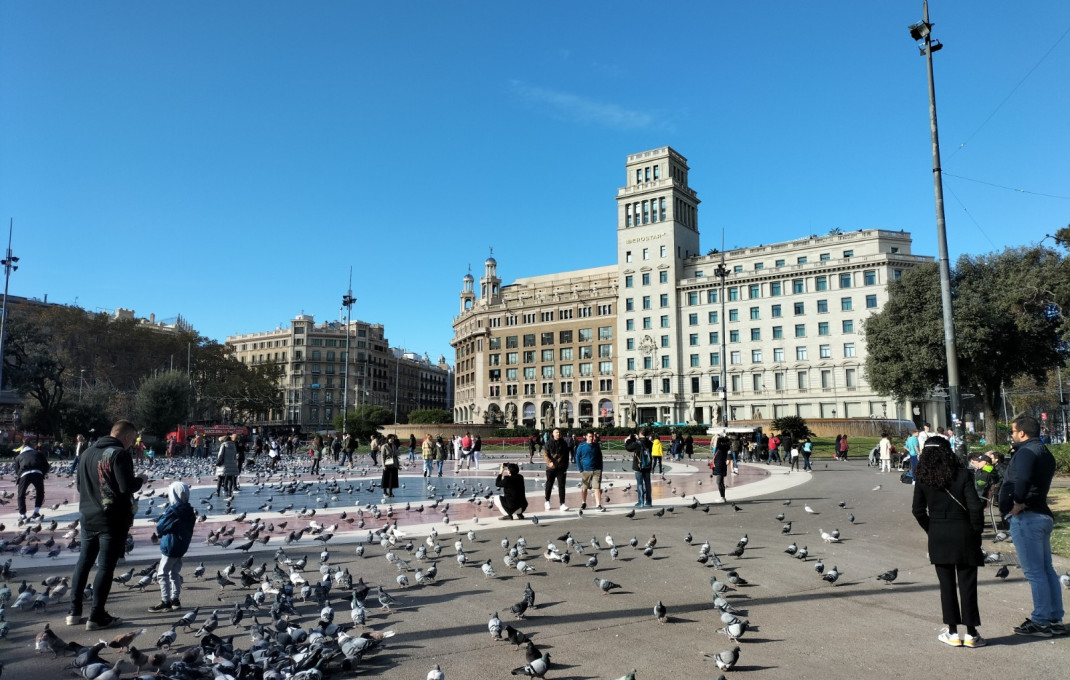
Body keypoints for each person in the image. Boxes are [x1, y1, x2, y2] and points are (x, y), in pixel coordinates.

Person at [68, 419, 147, 630]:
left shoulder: (86, 453)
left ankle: (74, 612)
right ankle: (96, 616)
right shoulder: (119, 454)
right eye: (132, 440)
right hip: (111, 520)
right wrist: (141, 479)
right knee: (105, 566)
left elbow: (79, 485)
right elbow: (126, 487)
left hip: (87, 516)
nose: (132, 445)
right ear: (127, 437)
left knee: (83, 562)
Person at [911, 435, 986, 648]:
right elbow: (975, 507)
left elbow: (917, 510)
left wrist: (931, 529)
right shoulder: (963, 474)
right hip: (964, 533)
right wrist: (977, 532)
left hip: (938, 534)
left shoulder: (922, 477)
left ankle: (953, 631)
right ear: (948, 452)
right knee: (968, 584)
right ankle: (972, 633)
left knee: (946, 585)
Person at [998, 415, 1065, 637]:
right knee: (1046, 571)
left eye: (1013, 431)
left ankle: (1041, 621)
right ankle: (1054, 617)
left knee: (1036, 572)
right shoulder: (1044, 452)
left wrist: (1017, 503)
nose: (1012, 435)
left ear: (1022, 433)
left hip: (1028, 517)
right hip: (1041, 515)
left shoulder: (1026, 451)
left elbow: (1024, 479)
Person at [148, 481, 195, 612]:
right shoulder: (189, 510)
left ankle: (166, 601)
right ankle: (175, 600)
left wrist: (163, 519)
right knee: (175, 573)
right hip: (182, 546)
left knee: (162, 574)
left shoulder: (174, 511)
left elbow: (160, 528)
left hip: (170, 546)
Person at [14, 443, 50, 521]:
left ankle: (23, 515)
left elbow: (17, 471)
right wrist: (42, 473)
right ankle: (36, 512)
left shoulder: (18, 457)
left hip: (24, 474)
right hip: (37, 473)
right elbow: (47, 466)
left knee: (21, 494)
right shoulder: (39, 453)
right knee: (40, 492)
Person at [574, 431, 606, 511]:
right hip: (586, 470)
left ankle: (598, 504)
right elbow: (577, 457)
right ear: (586, 437)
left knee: (597, 487)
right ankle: (583, 502)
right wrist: (580, 469)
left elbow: (600, 457)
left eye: (592, 436)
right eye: (590, 436)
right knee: (584, 488)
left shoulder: (596, 446)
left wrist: (601, 469)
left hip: (596, 470)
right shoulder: (582, 446)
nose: (591, 438)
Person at [542, 427, 570, 512]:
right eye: (556, 432)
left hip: (561, 468)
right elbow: (545, 454)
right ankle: (547, 501)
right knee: (549, 485)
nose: (558, 434)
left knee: (561, 486)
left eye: (559, 432)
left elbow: (566, 456)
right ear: (553, 434)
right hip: (551, 468)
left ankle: (562, 503)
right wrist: (549, 463)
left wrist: (565, 466)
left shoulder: (563, 443)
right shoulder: (548, 443)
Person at [626, 429, 654, 507]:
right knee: (648, 484)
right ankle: (649, 501)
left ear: (640, 433)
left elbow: (628, 448)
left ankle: (641, 502)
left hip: (639, 466)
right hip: (647, 466)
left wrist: (628, 440)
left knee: (640, 484)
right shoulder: (650, 443)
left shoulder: (637, 443)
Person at [709, 435, 729, 503]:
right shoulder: (723, 448)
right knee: (721, 482)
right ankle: (722, 497)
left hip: (719, 466)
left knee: (719, 482)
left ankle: (722, 497)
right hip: (721, 466)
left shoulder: (720, 448)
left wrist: (719, 438)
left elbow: (717, 443)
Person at [380, 433, 400, 498]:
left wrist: (398, 464)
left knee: (392, 479)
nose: (392, 440)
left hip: (393, 464)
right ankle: (385, 492)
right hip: (387, 463)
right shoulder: (384, 446)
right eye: (390, 438)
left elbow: (396, 455)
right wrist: (383, 465)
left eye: (393, 439)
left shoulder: (394, 446)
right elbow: (382, 456)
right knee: (386, 478)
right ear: (388, 439)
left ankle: (390, 492)